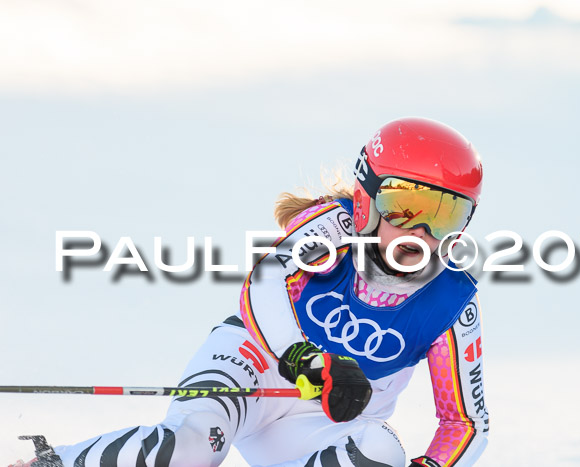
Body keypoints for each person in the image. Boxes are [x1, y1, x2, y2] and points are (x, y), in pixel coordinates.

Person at [10, 117, 489, 467]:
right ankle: (52, 464)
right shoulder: (333, 226)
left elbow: (465, 422)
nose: (422, 233)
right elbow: (263, 283)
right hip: (252, 368)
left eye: (447, 217)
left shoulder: (450, 302)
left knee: (381, 448)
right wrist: (303, 356)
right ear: (365, 201)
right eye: (405, 209)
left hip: (319, 424)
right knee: (190, 448)